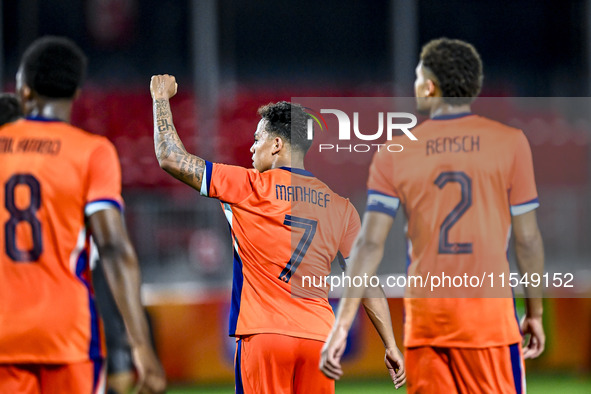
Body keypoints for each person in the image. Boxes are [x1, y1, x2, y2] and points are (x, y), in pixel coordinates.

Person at [150, 75, 406, 393]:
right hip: (319, 339)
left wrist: (160, 98)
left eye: (258, 139)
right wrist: (390, 344)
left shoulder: (246, 186)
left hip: (265, 335)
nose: (251, 147)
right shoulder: (341, 207)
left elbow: (169, 157)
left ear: (277, 144)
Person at [320, 38, 545, 394]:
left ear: (429, 85)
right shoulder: (511, 142)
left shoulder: (396, 150)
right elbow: (527, 239)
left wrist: (342, 325)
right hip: (491, 326)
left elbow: (369, 244)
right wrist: (535, 313)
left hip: (428, 327)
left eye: (416, 77)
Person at [0, 36, 166, 393]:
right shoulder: (92, 152)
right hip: (67, 334)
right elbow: (114, 249)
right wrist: (142, 346)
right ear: (75, 93)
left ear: (25, 92)